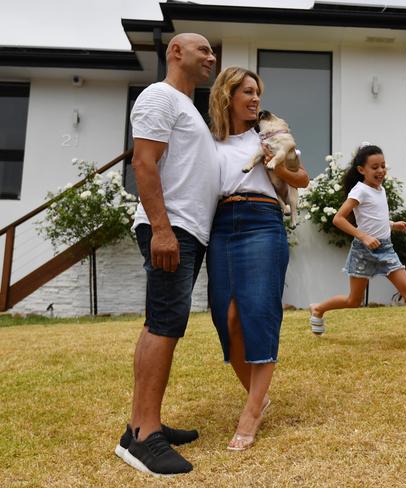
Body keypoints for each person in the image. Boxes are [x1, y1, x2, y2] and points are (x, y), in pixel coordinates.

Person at [114, 33, 219, 476]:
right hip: (171, 226)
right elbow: (144, 163)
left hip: (185, 229)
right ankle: (144, 438)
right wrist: (161, 229)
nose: (211, 58)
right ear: (175, 52)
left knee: (161, 322)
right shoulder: (160, 96)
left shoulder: (185, 108)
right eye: (204, 51)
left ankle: (139, 424)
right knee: (165, 324)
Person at [207, 66, 310, 451]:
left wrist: (278, 163)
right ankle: (258, 394)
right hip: (221, 226)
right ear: (227, 95)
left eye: (257, 93)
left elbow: (302, 180)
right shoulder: (210, 143)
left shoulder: (268, 136)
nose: (255, 100)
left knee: (259, 313)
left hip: (263, 221)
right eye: (247, 92)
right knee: (227, 317)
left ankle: (251, 413)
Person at [309, 144, 406, 353]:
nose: (380, 171)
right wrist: (363, 236)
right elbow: (338, 219)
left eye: (383, 166)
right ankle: (318, 308)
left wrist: (392, 225)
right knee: (354, 300)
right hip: (363, 251)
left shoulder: (380, 189)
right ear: (361, 170)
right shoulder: (360, 190)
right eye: (374, 167)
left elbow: (373, 218)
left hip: (385, 249)